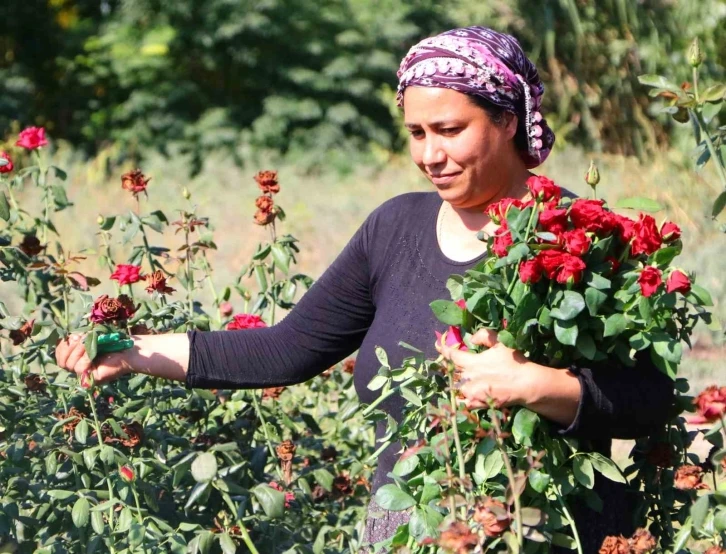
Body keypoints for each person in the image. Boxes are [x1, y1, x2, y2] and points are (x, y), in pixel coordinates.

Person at [55, 26, 673, 552]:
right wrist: (133, 350)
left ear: (507, 119)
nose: (431, 154)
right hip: (402, 525)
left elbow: (651, 399)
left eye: (450, 129)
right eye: (416, 133)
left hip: (544, 533)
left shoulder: (576, 237)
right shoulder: (394, 228)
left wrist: (537, 385)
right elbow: (287, 349)